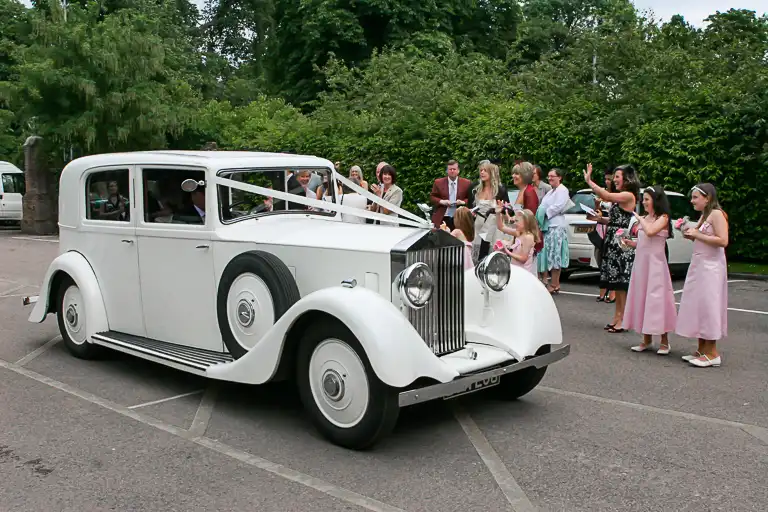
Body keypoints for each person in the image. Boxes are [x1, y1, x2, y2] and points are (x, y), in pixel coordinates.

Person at [676, 183, 729, 368]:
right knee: (698, 305)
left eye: (695, 197)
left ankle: (712, 353)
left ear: (707, 198)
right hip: (699, 264)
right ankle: (701, 349)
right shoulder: (705, 216)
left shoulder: (717, 214)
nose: (692, 200)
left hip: (711, 268)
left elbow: (723, 240)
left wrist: (697, 234)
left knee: (709, 306)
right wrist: (688, 232)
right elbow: (699, 236)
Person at [584, 163, 639, 333]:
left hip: (621, 243)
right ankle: (617, 317)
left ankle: (622, 319)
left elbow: (606, 195)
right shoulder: (621, 197)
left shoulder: (628, 195)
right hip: (613, 240)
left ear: (626, 179)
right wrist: (600, 220)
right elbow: (615, 221)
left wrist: (589, 181)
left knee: (621, 284)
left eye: (617, 177)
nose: (614, 180)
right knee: (615, 284)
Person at [622, 186, 677, 354]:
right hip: (642, 264)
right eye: (643, 199)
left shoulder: (663, 218)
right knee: (642, 298)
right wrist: (631, 243)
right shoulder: (645, 218)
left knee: (657, 300)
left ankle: (664, 341)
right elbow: (644, 240)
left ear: (655, 200)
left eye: (647, 199)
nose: (643, 202)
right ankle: (645, 339)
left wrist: (639, 218)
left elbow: (652, 232)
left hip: (656, 265)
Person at [536, 168, 570, 293]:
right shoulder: (551, 192)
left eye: (552, 176)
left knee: (555, 255)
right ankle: (554, 282)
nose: (550, 178)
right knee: (549, 254)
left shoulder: (562, 190)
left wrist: (544, 212)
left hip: (556, 227)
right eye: (549, 176)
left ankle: (555, 283)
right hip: (548, 227)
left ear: (559, 177)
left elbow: (558, 206)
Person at [469, 160, 508, 262]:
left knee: (490, 256)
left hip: (493, 226)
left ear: (492, 173)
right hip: (478, 225)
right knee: (477, 256)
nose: (482, 172)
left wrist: (500, 209)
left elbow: (506, 209)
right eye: (481, 170)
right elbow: (471, 206)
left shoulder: (500, 190)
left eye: (485, 170)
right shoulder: (476, 189)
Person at [494, 205, 540, 276]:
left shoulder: (528, 237)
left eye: (517, 221)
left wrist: (507, 251)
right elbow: (501, 227)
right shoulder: (518, 233)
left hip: (523, 272)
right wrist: (498, 213)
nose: (514, 223)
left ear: (526, 222)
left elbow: (523, 259)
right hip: (515, 269)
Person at [594, 167, 617, 303]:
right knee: (603, 259)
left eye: (610, 179)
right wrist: (597, 205)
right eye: (606, 179)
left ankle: (613, 291)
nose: (608, 182)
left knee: (612, 260)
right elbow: (598, 211)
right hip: (602, 228)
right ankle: (603, 290)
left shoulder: (617, 195)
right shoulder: (603, 194)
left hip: (613, 229)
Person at [430, 159, 471, 230]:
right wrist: (442, 202)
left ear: (458, 171)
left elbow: (471, 199)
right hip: (443, 217)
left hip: (459, 217)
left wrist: (462, 202)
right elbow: (432, 197)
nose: (452, 171)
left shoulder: (466, 183)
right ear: (447, 171)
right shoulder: (438, 182)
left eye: (454, 169)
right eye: (450, 169)